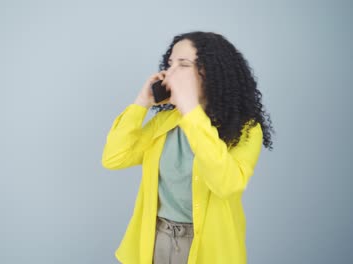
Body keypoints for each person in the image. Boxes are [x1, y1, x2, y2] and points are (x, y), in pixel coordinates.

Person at [101, 31, 275, 264]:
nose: (169, 72)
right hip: (156, 241)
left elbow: (226, 184)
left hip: (207, 247)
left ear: (211, 73)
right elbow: (114, 158)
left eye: (183, 64)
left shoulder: (246, 130)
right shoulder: (165, 122)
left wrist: (191, 111)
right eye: (170, 63)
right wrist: (141, 103)